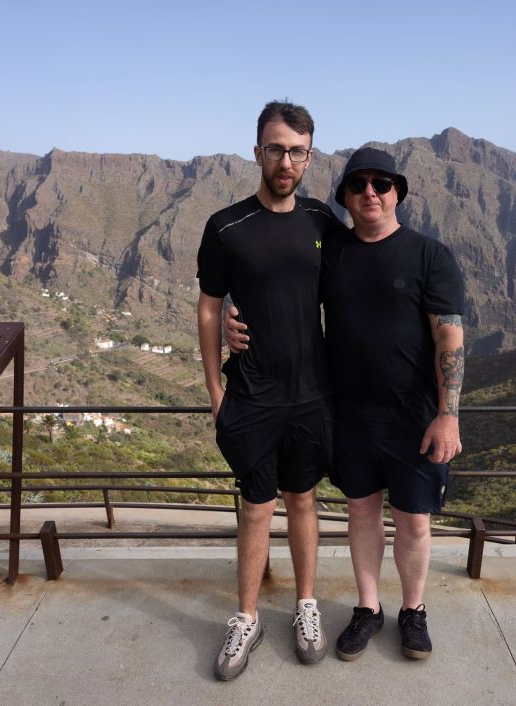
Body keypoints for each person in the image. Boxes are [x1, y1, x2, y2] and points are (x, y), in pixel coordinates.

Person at [225, 147, 465, 662]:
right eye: (358, 185)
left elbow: (449, 338)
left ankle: (414, 611)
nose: (370, 193)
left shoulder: (430, 255)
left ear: (398, 190)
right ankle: (368, 608)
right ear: (345, 199)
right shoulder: (331, 248)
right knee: (361, 512)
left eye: (381, 183)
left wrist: (449, 415)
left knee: (414, 521)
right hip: (348, 410)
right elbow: (279, 279)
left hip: (415, 415)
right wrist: (232, 313)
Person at [196, 100, 342, 680]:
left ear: (309, 156)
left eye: (298, 151)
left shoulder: (321, 223)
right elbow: (209, 309)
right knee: (255, 506)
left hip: (312, 393)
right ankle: (247, 617)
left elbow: (351, 297)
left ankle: (306, 606)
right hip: (252, 393)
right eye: (277, 149)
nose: (287, 160)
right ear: (257, 152)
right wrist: (214, 388)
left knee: (303, 499)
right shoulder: (225, 226)